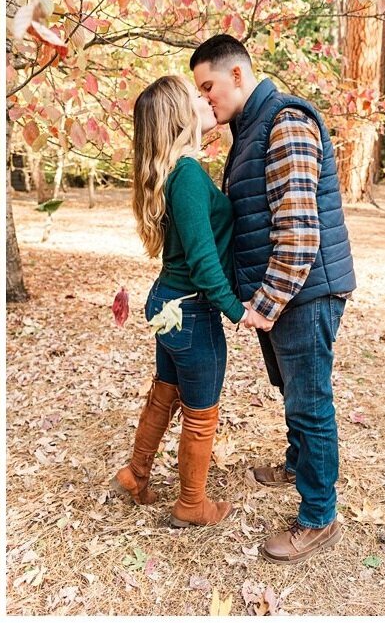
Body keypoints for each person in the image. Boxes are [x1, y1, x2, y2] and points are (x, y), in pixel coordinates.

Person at [190, 34, 356, 563]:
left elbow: (300, 231)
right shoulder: (248, 131)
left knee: (309, 401)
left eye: (208, 86)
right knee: (291, 388)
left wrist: (266, 301)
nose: (205, 99)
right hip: (283, 295)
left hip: (303, 293)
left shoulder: (284, 121)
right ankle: (296, 462)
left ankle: (319, 517)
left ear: (238, 74)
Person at [113, 75, 245, 528]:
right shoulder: (187, 175)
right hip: (191, 309)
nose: (204, 97)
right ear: (179, 116)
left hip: (169, 304)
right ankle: (192, 504)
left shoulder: (180, 170)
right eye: (195, 96)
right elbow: (205, 261)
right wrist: (237, 310)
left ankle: (136, 473)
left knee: (164, 393)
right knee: (201, 411)